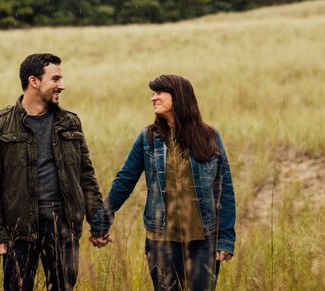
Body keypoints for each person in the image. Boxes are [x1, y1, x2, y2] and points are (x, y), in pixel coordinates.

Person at [92, 74, 236, 291]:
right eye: (152, 93)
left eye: (159, 92)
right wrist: (101, 223)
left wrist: (225, 238)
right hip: (161, 241)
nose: (153, 98)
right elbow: (124, 181)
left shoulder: (209, 136)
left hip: (203, 240)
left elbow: (225, 188)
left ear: (178, 96)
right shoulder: (147, 138)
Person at [0, 53, 107, 291]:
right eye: (55, 79)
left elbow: (86, 177)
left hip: (64, 226)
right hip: (19, 229)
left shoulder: (70, 122)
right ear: (34, 81)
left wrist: (98, 224)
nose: (62, 85)